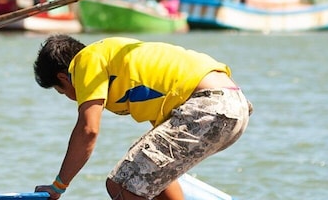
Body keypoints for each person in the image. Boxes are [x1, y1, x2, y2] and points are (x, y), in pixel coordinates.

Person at [32, 35, 250, 199]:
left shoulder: (85, 61)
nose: (69, 98)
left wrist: (58, 186)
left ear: (63, 77)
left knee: (121, 183)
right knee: (149, 175)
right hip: (232, 105)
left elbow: (88, 130)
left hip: (209, 104)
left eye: (62, 91)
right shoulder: (116, 63)